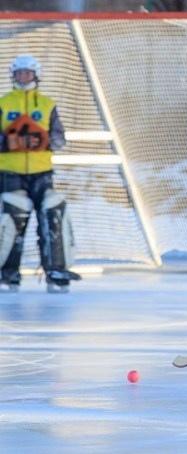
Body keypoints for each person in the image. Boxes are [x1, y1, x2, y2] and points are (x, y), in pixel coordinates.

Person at [0, 55, 81, 294]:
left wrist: (43, 140)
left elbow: (59, 138)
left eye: (28, 73)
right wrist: (10, 142)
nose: (24, 77)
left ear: (36, 75)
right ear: (13, 75)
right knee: (12, 218)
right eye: (19, 73)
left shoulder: (47, 104)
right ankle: (7, 274)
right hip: (10, 173)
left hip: (41, 172)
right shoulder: (4, 103)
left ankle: (56, 272)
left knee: (52, 212)